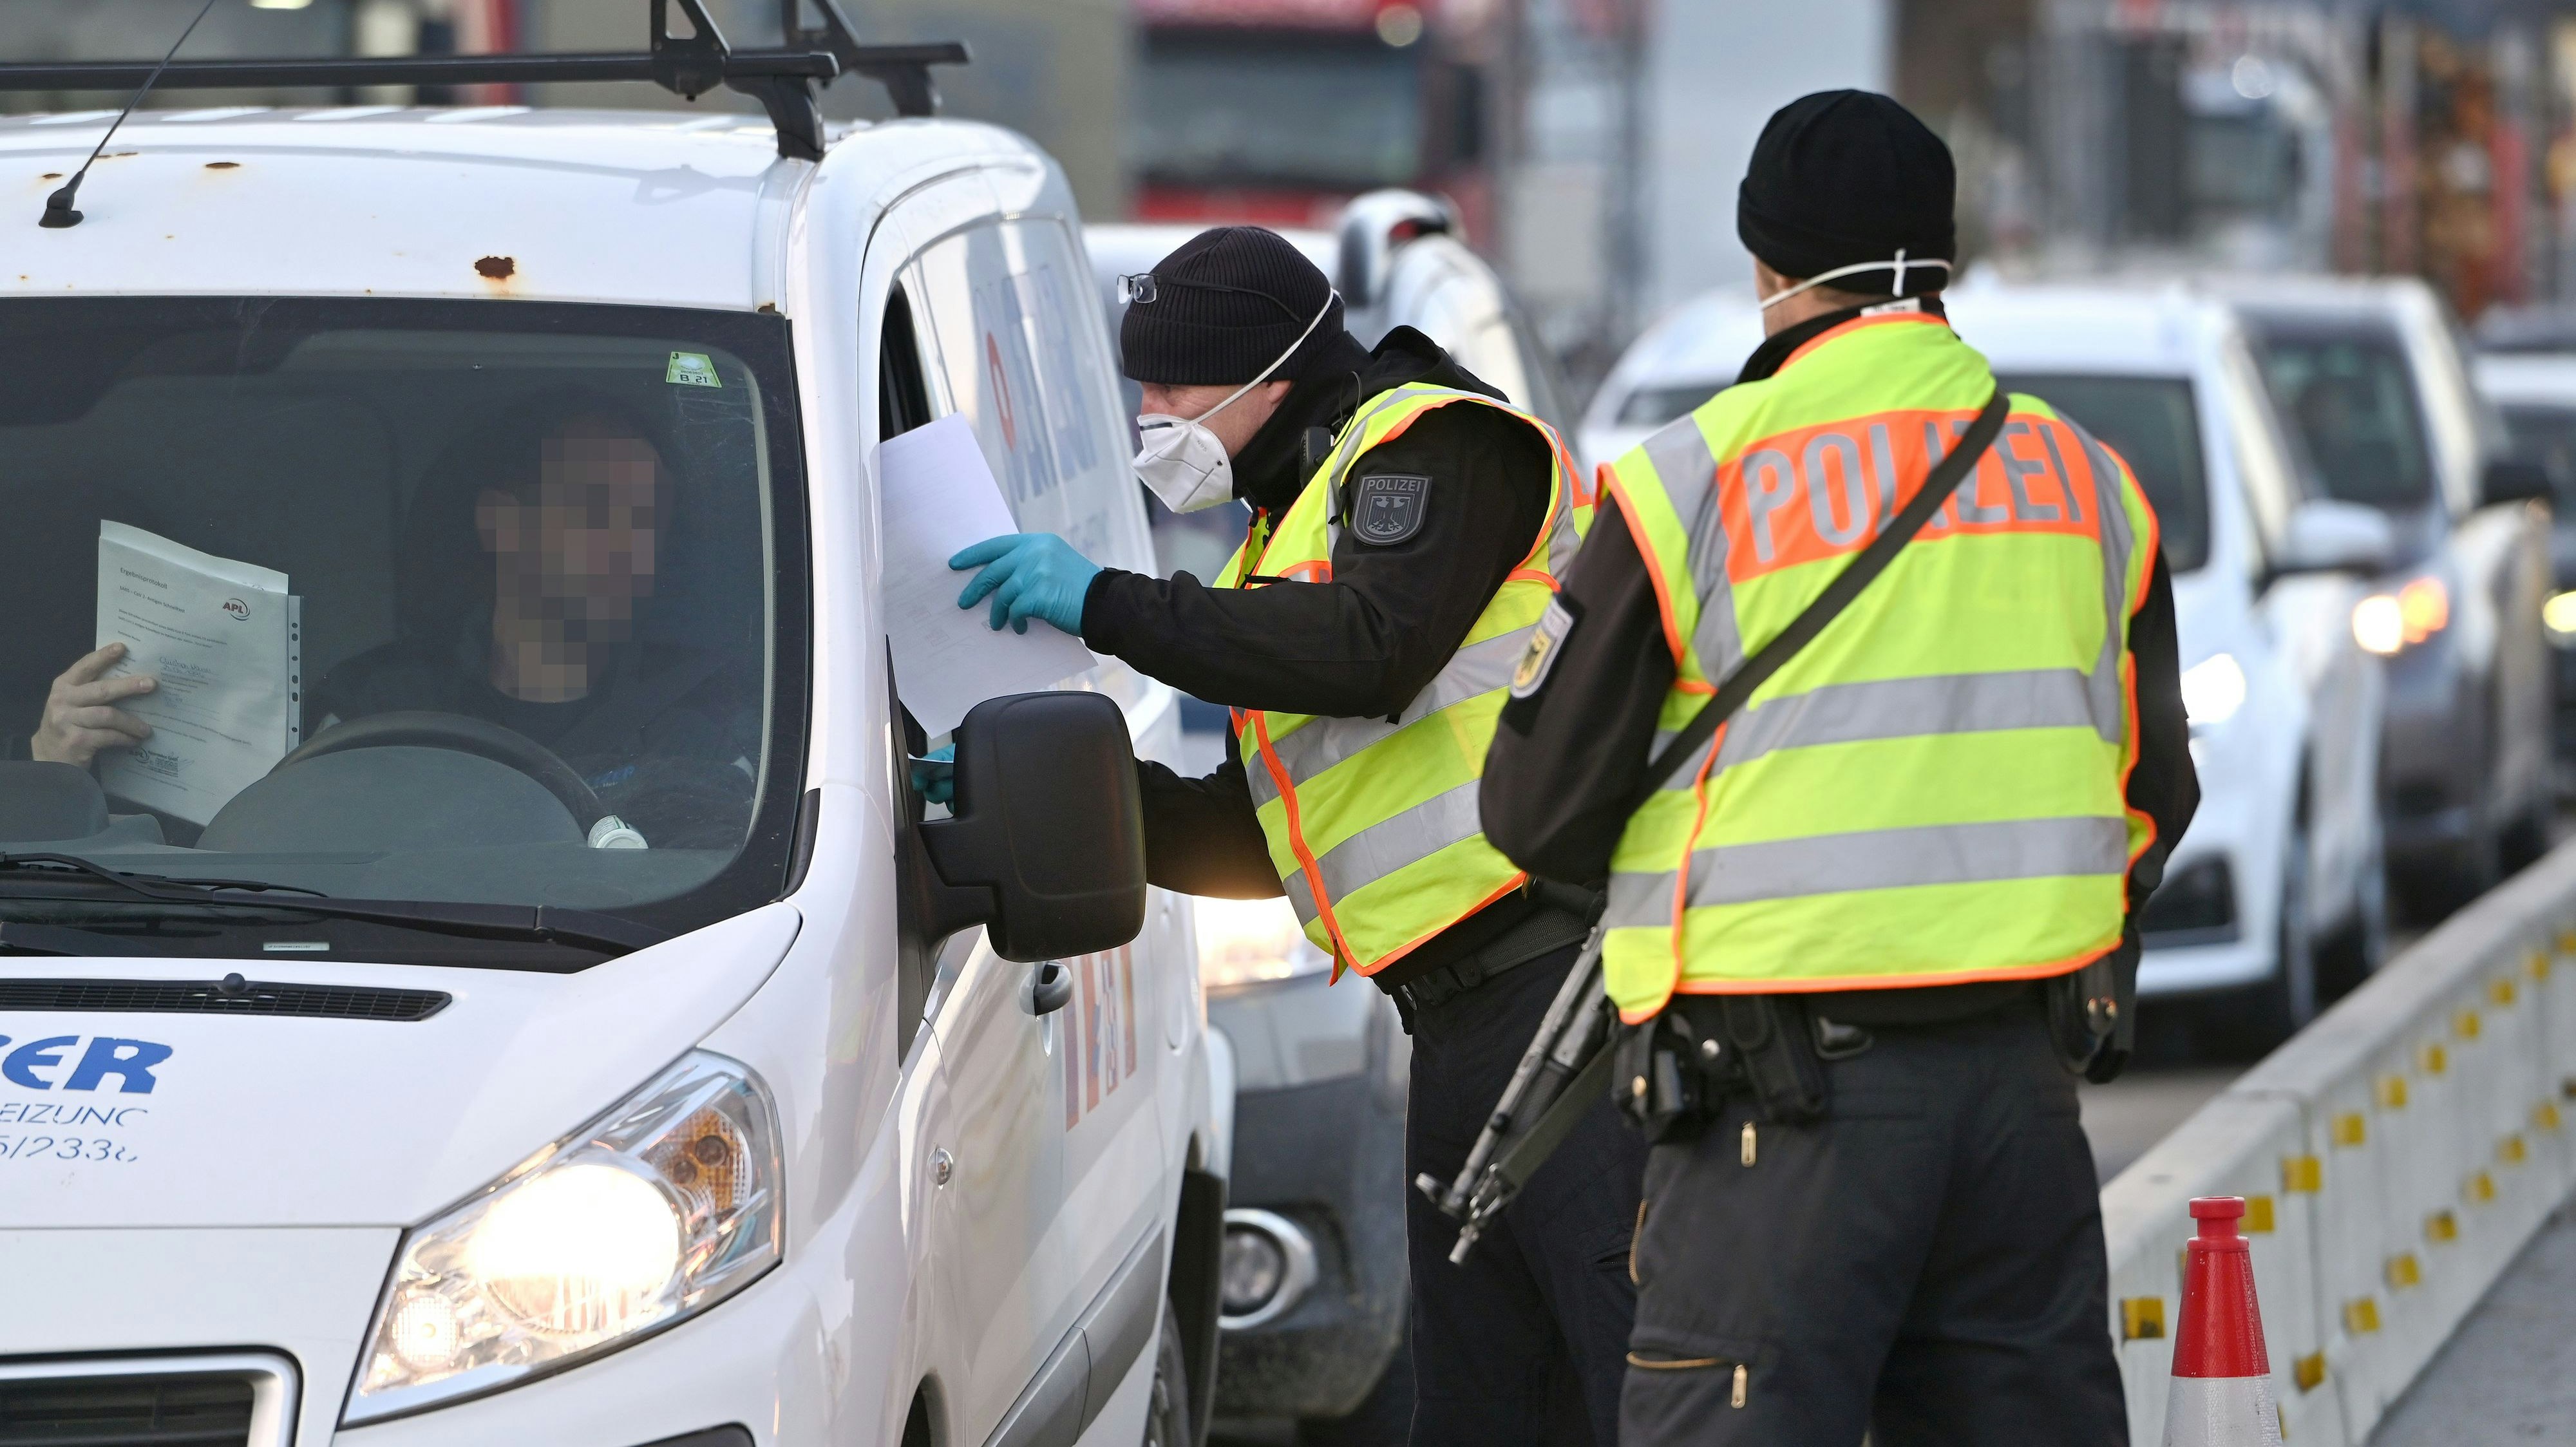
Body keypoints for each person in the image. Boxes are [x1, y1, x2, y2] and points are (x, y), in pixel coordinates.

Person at [1479, 92, 2198, 1445]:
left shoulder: (1686, 483)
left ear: (1764, 265)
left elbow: (1534, 811)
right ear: (1943, 263)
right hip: (2018, 1098)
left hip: (1778, 1107)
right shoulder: (2088, 480)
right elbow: (2152, 795)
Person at [942, 226, 1642, 1444]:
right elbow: (1262, 839)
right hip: (1460, 1021)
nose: (1152, 415)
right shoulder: (1291, 530)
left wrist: (1106, 604)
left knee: (1633, 1387)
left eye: (1173, 389)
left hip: (1567, 997)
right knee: (1486, 1409)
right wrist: (1015, 787)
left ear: (1272, 377)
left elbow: (1370, 651)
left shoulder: (1435, 445)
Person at [31, 397, 759, 847]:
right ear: (501, 523)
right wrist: (60, 770)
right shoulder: (370, 703)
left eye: (648, 520)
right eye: (597, 511)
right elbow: (215, 864)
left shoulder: (704, 722)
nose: (631, 545)